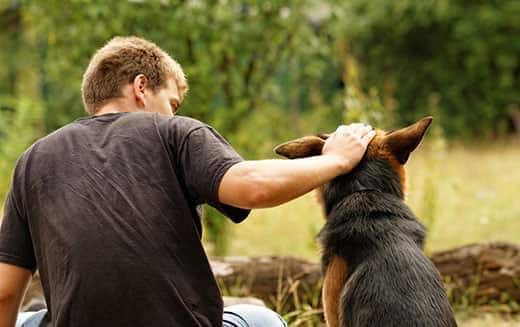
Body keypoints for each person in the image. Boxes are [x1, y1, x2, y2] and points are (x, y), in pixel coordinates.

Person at [0, 36, 375, 327]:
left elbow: (4, 293)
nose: (175, 112)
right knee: (264, 319)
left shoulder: (33, 160)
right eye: (173, 101)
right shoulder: (173, 133)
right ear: (141, 87)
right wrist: (337, 160)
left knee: (30, 319)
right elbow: (254, 185)